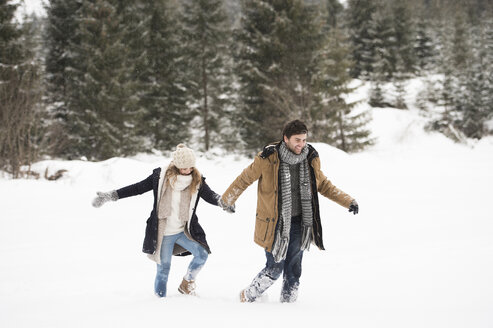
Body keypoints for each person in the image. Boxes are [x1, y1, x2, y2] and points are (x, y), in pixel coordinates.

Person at [219, 119, 359, 303]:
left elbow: (323, 184)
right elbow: (244, 179)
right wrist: (227, 199)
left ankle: (288, 307)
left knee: (294, 270)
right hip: (275, 225)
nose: (301, 144)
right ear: (286, 138)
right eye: (297, 140)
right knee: (274, 268)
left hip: (301, 224)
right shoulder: (267, 158)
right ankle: (247, 296)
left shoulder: (310, 159)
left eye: (304, 140)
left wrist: (347, 201)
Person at [92, 144, 234, 297]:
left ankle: (187, 283)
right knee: (163, 269)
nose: (188, 171)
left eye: (191, 167)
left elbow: (210, 195)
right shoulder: (160, 177)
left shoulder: (197, 181)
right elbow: (138, 188)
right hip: (164, 233)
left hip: (184, 231)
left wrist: (223, 202)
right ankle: (160, 301)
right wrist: (111, 195)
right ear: (176, 166)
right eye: (184, 168)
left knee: (202, 255)